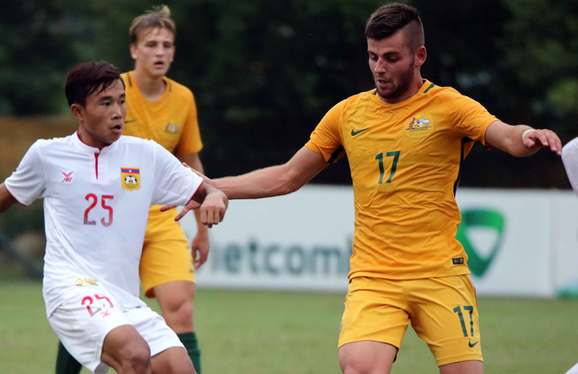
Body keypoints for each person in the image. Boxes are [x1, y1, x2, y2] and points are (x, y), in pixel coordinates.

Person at [168, 3, 562, 374]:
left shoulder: (450, 107)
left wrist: (529, 135)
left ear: (419, 56)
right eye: (373, 56)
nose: (379, 67)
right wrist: (205, 185)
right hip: (375, 276)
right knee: (359, 366)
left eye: (391, 57)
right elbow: (287, 176)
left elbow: (506, 135)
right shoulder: (346, 114)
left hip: (440, 273)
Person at [0, 60, 228, 374]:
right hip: (70, 288)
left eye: (121, 101)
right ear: (78, 112)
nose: (118, 113)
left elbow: (206, 190)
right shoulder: (48, 154)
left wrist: (214, 197)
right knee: (135, 355)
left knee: (179, 366)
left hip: (123, 297)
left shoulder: (146, 154)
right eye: (105, 103)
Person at [55, 6, 209, 374]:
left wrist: (202, 229)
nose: (160, 52)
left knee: (181, 308)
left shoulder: (183, 98)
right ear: (134, 50)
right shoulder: (109, 90)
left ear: (174, 52)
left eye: (167, 45)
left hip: (161, 219)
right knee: (93, 312)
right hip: (110, 221)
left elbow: (192, 162)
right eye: (151, 44)